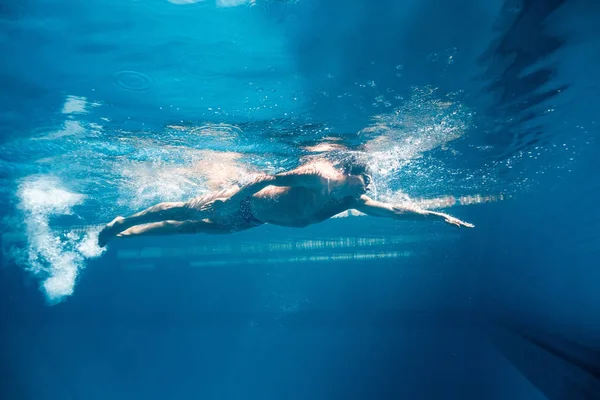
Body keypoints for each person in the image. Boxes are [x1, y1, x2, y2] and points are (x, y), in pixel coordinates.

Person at [97, 157, 474, 247]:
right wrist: (231, 196)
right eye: (364, 180)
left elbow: (394, 211)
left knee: (191, 228)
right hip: (242, 200)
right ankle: (122, 221)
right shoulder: (319, 177)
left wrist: (436, 215)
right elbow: (269, 178)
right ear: (345, 174)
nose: (369, 188)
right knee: (183, 210)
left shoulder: (351, 200)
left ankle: (124, 236)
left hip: (257, 218)